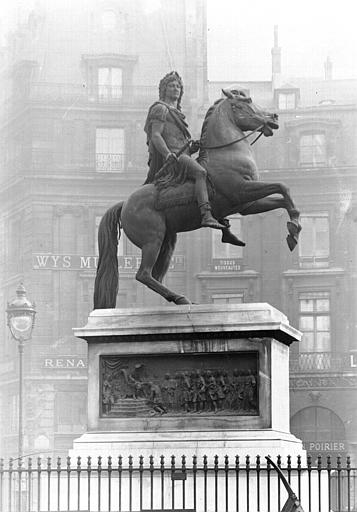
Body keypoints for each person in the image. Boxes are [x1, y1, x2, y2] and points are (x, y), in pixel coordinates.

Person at [144, 71, 245, 245]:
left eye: (178, 86)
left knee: (216, 181)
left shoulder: (177, 112)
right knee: (200, 173)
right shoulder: (160, 108)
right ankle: (206, 215)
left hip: (183, 154)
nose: (175, 89)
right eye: (171, 85)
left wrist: (192, 148)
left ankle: (225, 229)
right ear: (164, 89)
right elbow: (156, 136)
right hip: (174, 158)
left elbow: (176, 138)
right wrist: (168, 154)